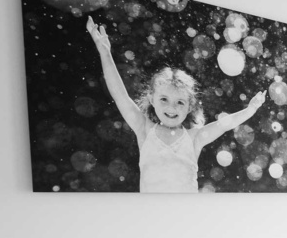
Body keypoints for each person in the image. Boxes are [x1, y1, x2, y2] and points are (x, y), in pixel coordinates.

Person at [86, 17, 266, 192]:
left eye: (180, 102)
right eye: (164, 99)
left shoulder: (194, 137)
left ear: (189, 107)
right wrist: (105, 53)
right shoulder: (144, 129)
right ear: (151, 99)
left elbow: (224, 125)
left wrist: (250, 110)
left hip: (187, 218)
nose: (171, 108)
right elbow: (120, 96)